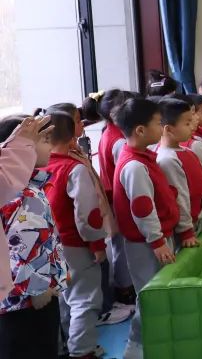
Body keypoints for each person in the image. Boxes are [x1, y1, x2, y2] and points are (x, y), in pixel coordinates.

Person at [40, 113, 111, 359]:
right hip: (75, 244)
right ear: (73, 137)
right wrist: (97, 243)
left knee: (64, 297)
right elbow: (88, 214)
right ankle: (82, 350)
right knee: (85, 299)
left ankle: (67, 346)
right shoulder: (74, 169)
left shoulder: (38, 167)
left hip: (50, 243)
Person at [112, 98, 178, 359]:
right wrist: (157, 241)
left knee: (158, 294)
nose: (162, 126)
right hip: (145, 244)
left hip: (153, 239)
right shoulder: (135, 165)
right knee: (150, 297)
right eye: (158, 122)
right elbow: (142, 209)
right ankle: (135, 350)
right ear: (140, 130)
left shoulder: (142, 158)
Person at [0, 114, 67, 359]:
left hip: (15, 300)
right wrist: (37, 288)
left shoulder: (22, 189)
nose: (50, 145)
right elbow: (23, 242)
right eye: (44, 140)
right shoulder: (24, 194)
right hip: (28, 301)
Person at [82, 90, 137, 308]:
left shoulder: (109, 132)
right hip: (118, 198)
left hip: (113, 196)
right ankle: (124, 288)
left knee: (119, 244)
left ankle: (124, 285)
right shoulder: (119, 141)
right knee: (122, 245)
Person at [154, 99, 202, 248]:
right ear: (168, 129)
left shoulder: (187, 151)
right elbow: (179, 197)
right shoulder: (167, 160)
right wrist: (186, 231)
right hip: (190, 225)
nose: (192, 126)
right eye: (187, 123)